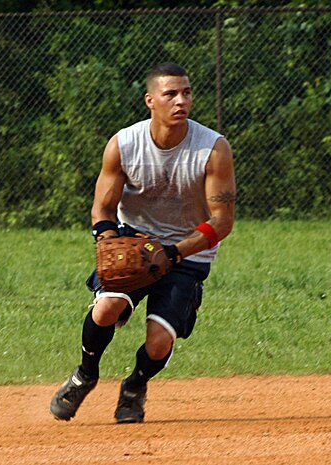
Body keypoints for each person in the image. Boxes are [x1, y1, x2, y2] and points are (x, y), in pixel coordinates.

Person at [50, 62, 236, 423]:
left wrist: (173, 253)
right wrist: (105, 238)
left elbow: (222, 221)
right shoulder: (125, 144)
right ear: (151, 100)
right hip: (133, 243)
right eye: (170, 94)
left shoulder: (213, 148)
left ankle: (134, 386)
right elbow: (102, 206)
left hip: (187, 253)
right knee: (106, 309)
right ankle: (85, 374)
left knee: (159, 341)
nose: (181, 100)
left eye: (186, 92)